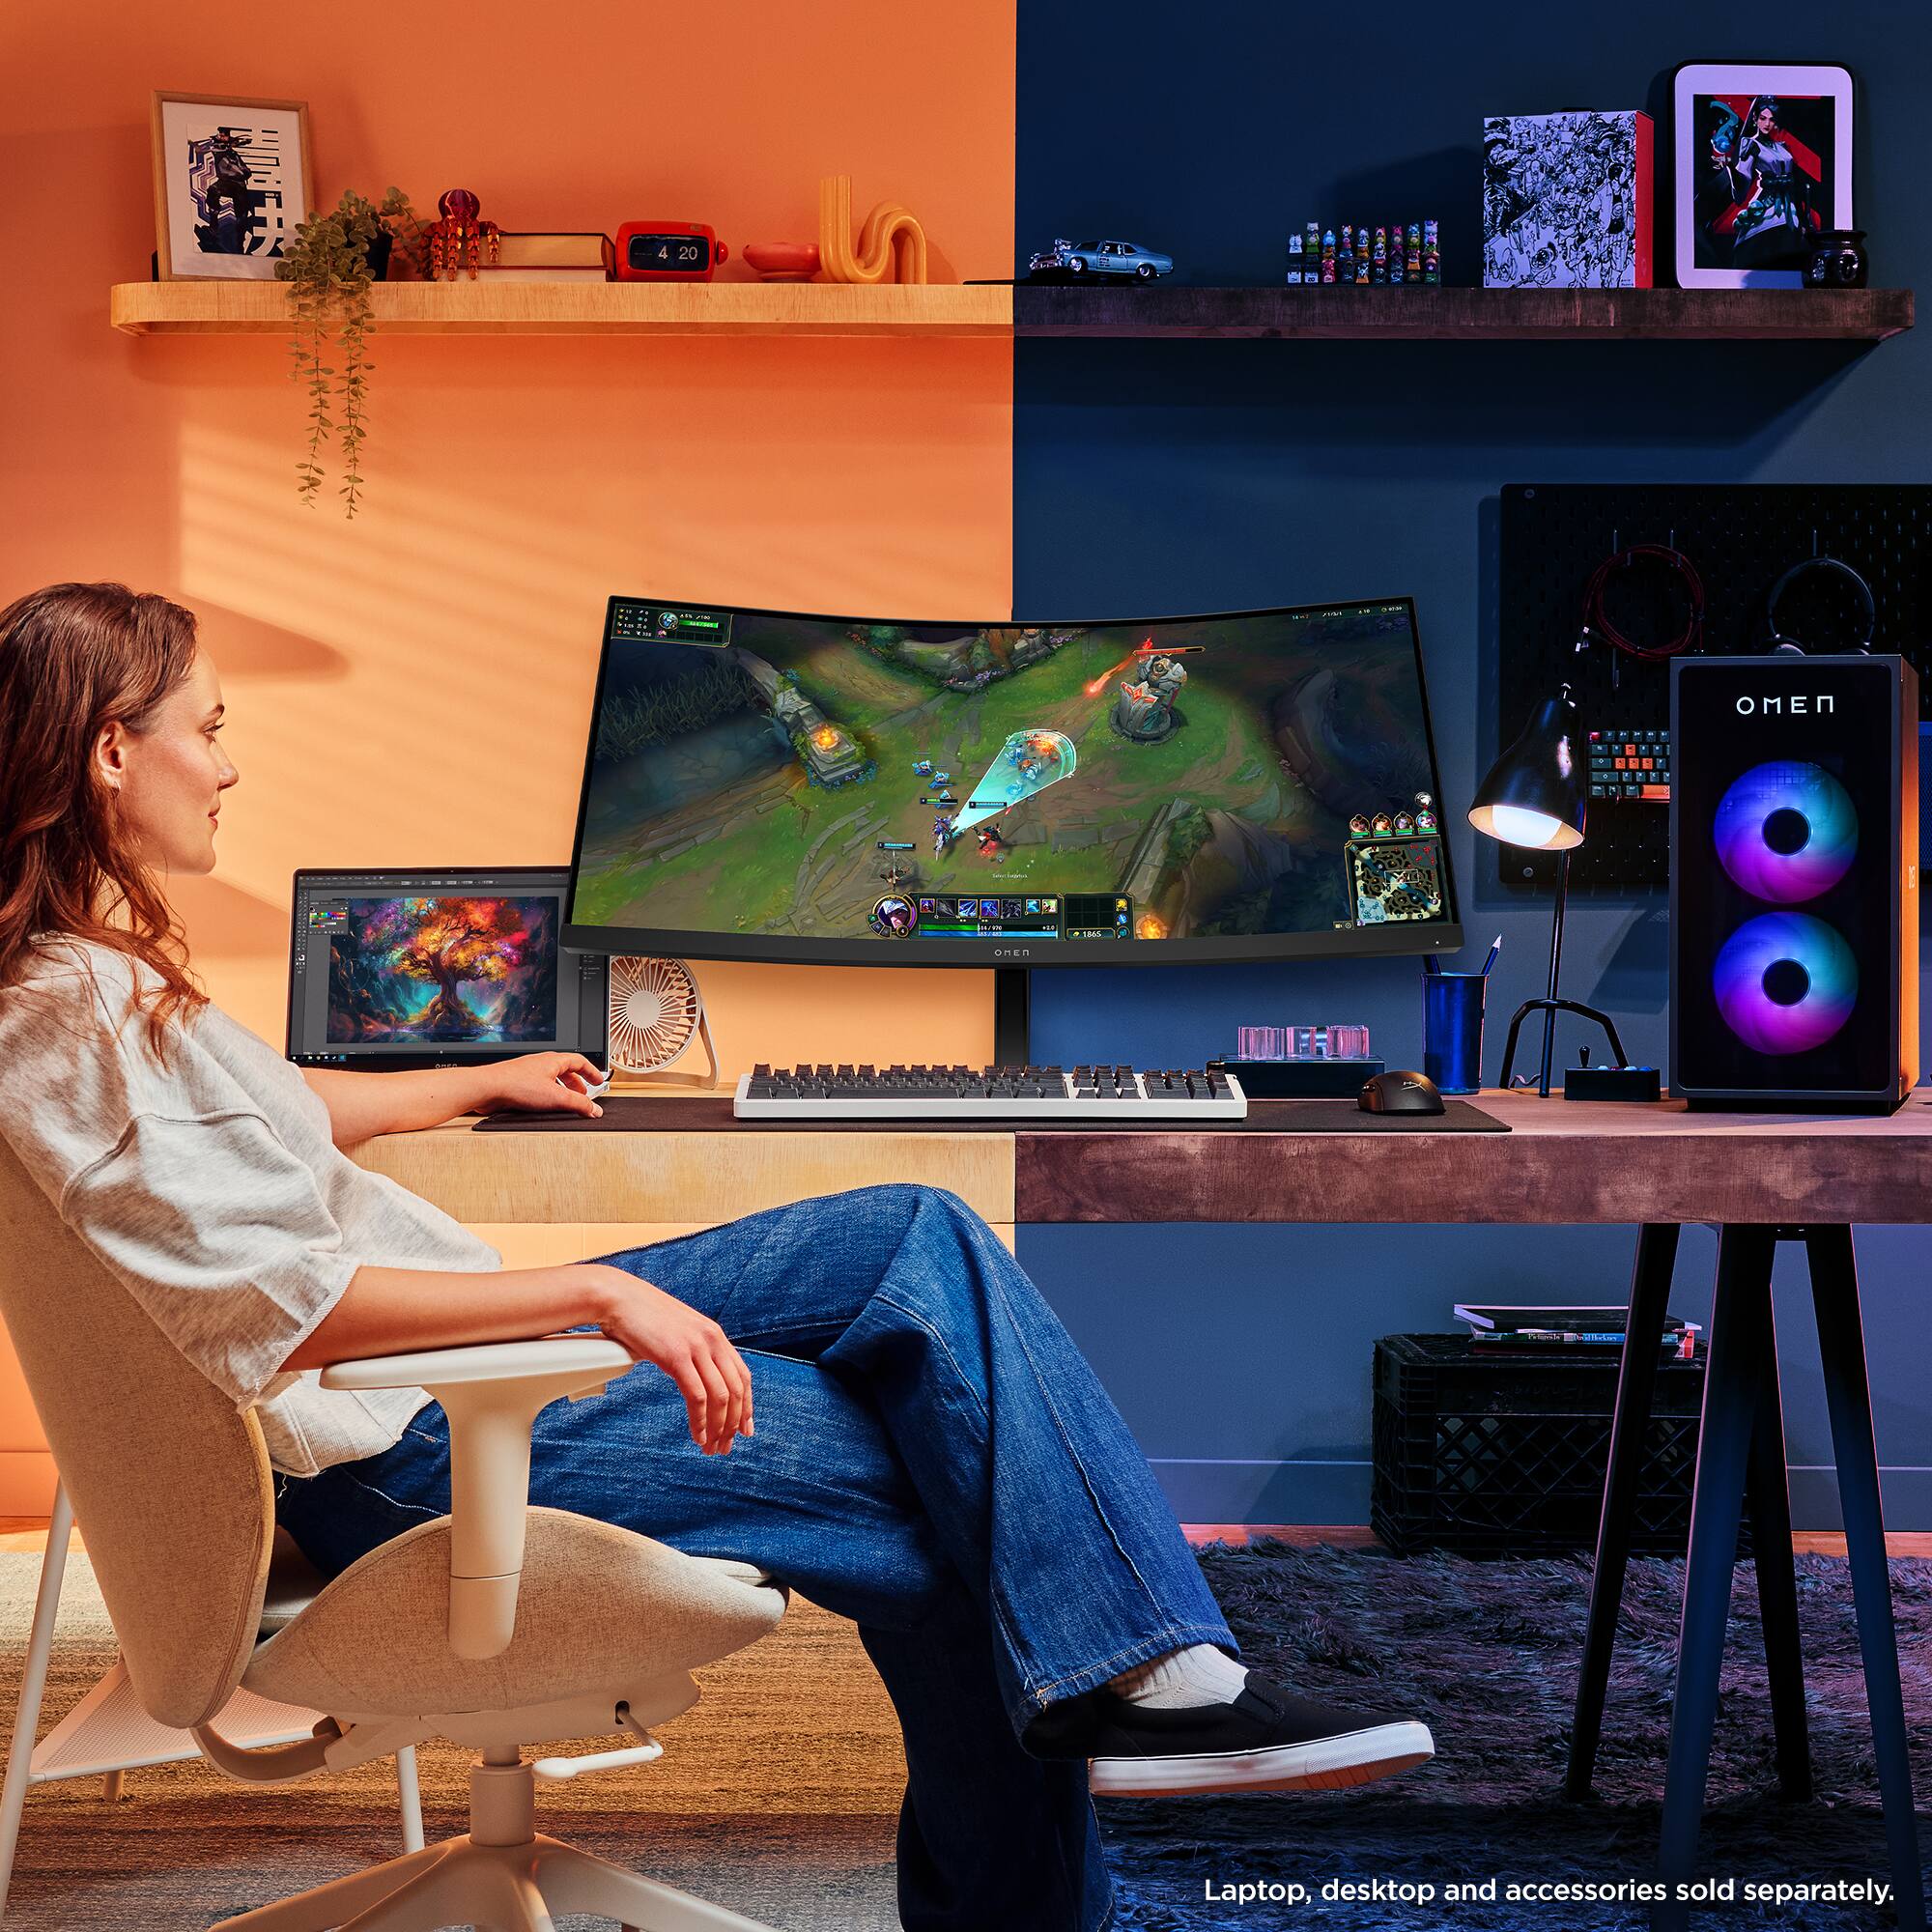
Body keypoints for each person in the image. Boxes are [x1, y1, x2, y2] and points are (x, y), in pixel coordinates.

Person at [0, 582, 1435, 1932]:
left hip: (414, 1410)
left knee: (910, 1236)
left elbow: (268, 1118)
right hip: (401, 1452)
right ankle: (1131, 1719)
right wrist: (596, 1290)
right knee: (950, 1476)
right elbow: (283, 1311)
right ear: (116, 753)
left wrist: (463, 1078)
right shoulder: (74, 1018)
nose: (227, 767)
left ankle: (1142, 1681)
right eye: (210, 729)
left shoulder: (88, 983)